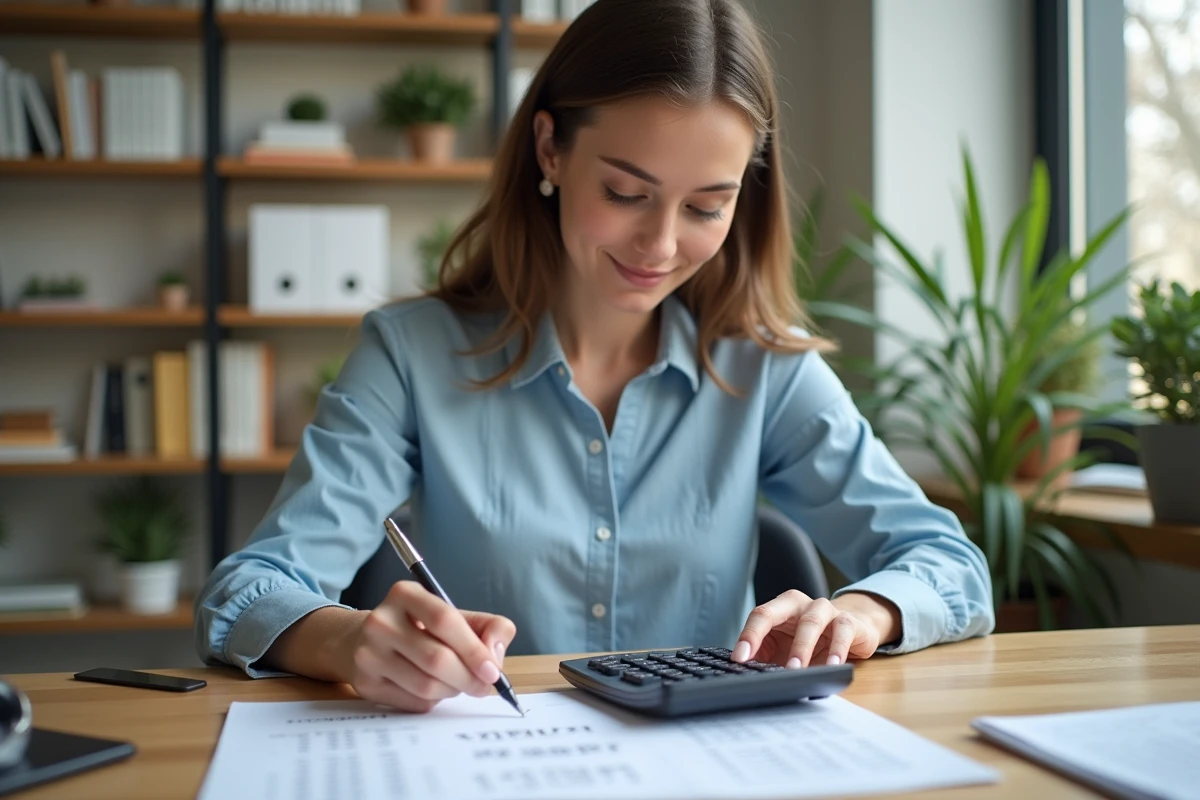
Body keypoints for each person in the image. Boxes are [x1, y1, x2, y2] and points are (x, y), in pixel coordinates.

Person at [195, 0, 994, 713]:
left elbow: (946, 563)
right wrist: (343, 640)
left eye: (707, 206)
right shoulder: (410, 356)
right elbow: (247, 591)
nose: (661, 244)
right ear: (549, 148)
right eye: (625, 193)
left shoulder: (766, 372)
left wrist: (862, 612)